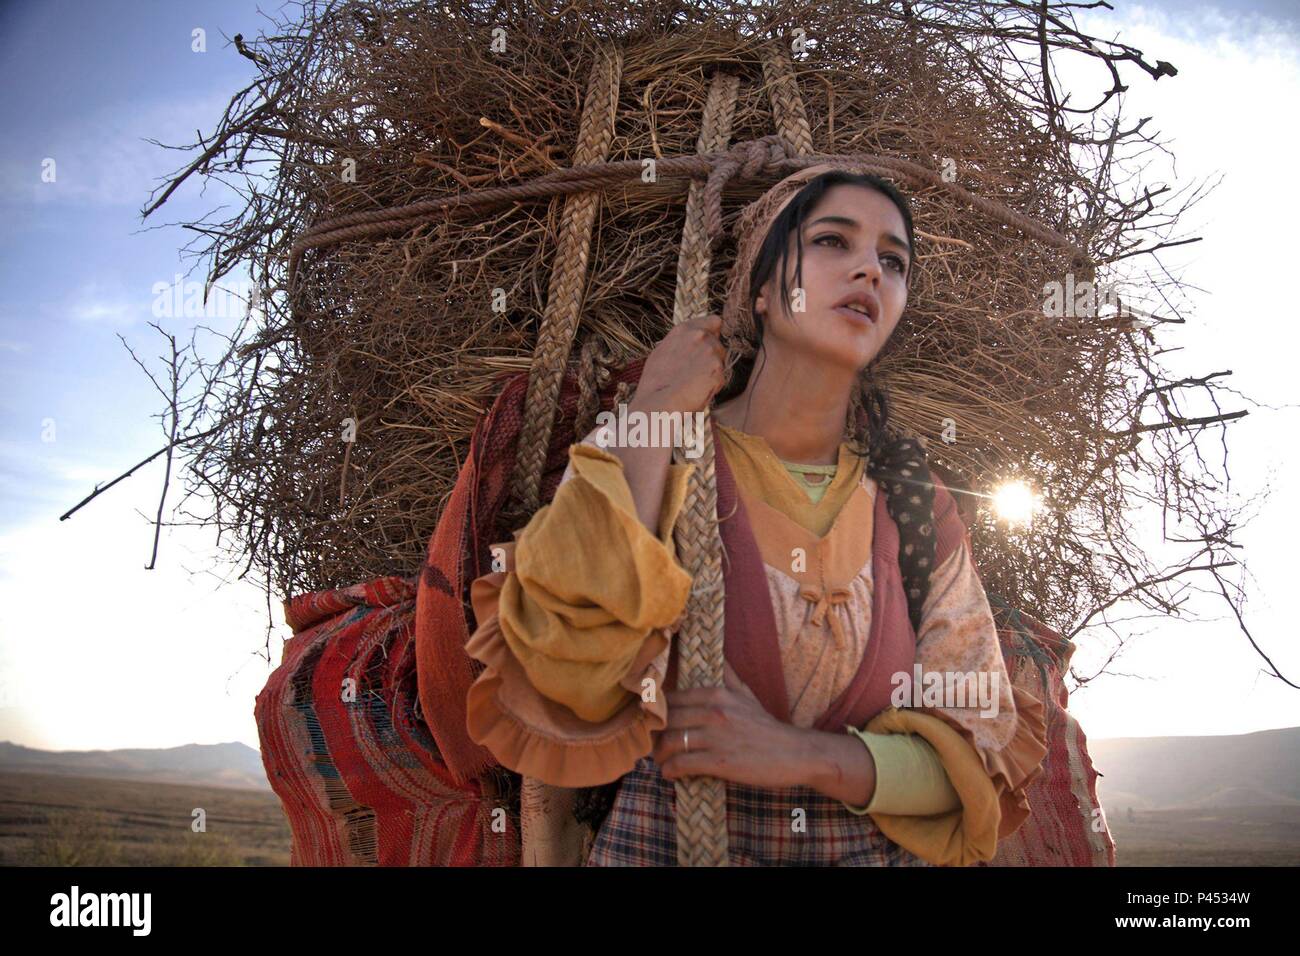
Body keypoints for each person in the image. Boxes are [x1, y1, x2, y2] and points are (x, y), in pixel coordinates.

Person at [462, 163, 1049, 866]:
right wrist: (654, 407)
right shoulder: (666, 453)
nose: (868, 270)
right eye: (834, 242)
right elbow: (563, 672)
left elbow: (974, 753)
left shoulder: (916, 506)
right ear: (764, 290)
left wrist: (801, 755)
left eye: (892, 261)